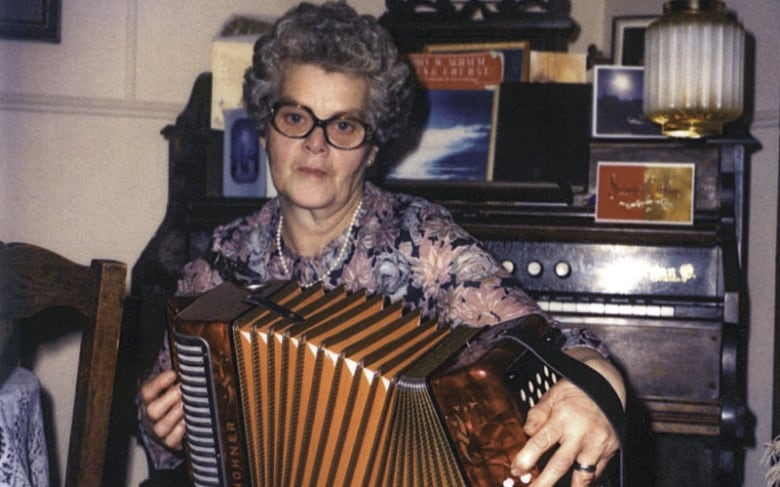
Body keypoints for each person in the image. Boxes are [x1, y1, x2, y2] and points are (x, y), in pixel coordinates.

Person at [138, 2, 625, 486]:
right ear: (265, 130)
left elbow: (556, 345)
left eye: (344, 125)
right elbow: (169, 458)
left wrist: (598, 391)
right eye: (295, 117)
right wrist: (162, 427)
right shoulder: (215, 269)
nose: (316, 144)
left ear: (372, 148)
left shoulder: (424, 244)